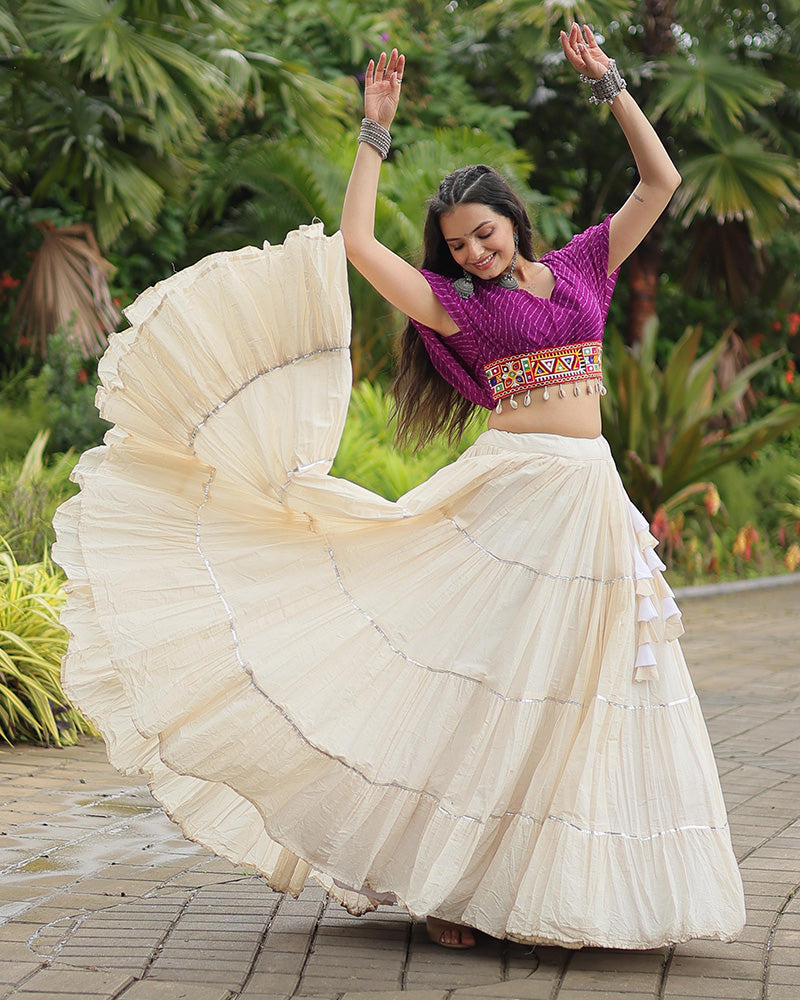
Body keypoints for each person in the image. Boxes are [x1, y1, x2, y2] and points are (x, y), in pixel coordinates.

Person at [53, 24, 745, 957]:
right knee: (492, 690)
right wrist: (373, 132)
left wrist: (612, 85)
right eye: (459, 245)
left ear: (513, 218)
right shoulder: (455, 303)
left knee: (586, 692)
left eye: (485, 234)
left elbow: (659, 183)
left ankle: (554, 885)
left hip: (589, 502)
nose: (474, 253)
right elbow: (357, 242)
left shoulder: (585, 264)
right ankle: (445, 883)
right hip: (516, 503)